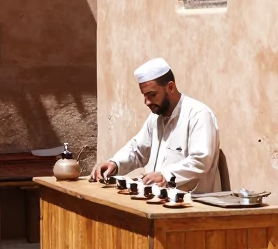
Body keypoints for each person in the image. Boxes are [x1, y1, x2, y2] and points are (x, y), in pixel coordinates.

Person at [90, 57, 220, 192]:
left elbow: (201, 161)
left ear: (170, 87)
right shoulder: (155, 118)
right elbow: (138, 149)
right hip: (158, 203)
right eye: (144, 95)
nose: (146, 102)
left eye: (152, 95)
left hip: (192, 206)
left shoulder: (198, 114)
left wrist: (165, 175)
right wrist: (115, 163)